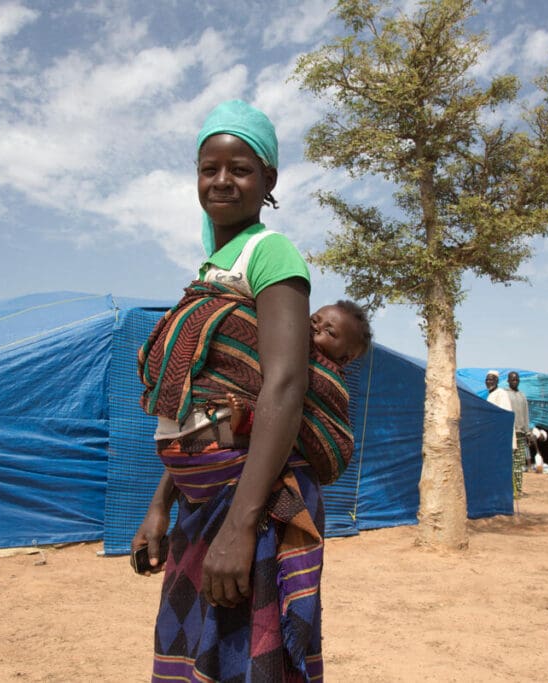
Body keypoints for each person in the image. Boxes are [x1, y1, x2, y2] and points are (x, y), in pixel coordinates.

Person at [132, 99, 349, 682]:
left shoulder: (269, 252)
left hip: (244, 503)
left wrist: (240, 524)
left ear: (269, 180)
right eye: (210, 168)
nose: (222, 180)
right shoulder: (210, 268)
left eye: (241, 168)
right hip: (201, 504)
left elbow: (284, 382)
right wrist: (160, 504)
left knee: (245, 665)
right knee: (193, 660)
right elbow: (196, 405)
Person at [228, 300, 372, 434]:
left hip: (293, 428)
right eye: (314, 320)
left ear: (346, 357)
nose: (316, 327)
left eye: (330, 332)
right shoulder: (289, 343)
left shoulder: (333, 380)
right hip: (259, 401)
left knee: (289, 417)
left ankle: (247, 420)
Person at [485, 371, 519, 498]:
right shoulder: (491, 395)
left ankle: (508, 493)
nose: (489, 382)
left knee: (503, 467)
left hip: (501, 438)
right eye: (487, 379)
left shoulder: (501, 394)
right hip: (495, 437)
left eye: (492, 379)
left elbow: (504, 415)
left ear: (497, 381)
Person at [506, 371, 530, 496]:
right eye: (512, 379)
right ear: (508, 381)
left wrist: (528, 431)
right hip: (510, 433)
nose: (515, 381)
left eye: (516, 379)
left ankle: (518, 489)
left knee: (520, 462)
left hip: (521, 433)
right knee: (509, 461)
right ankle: (510, 489)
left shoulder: (522, 396)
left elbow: (526, 414)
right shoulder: (505, 394)